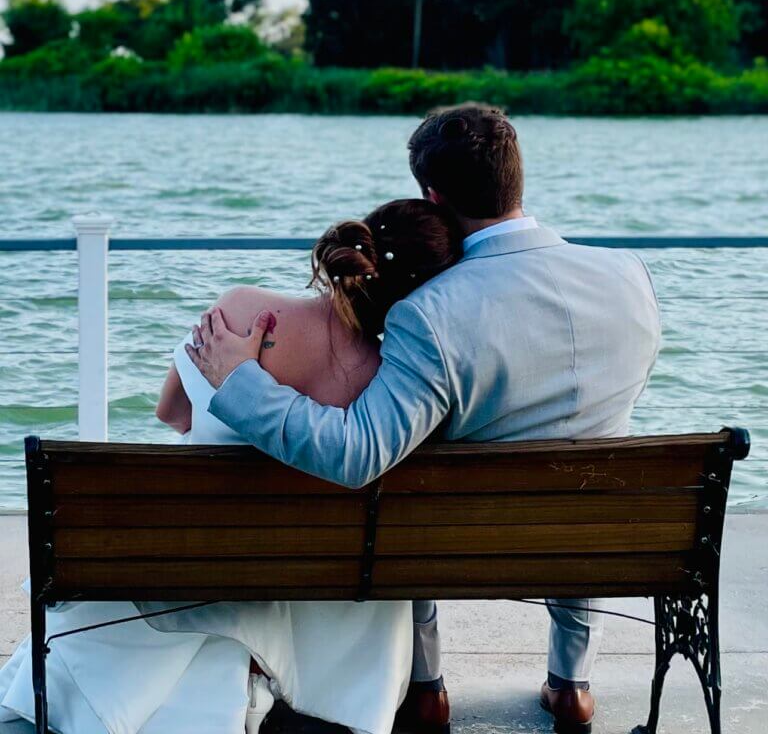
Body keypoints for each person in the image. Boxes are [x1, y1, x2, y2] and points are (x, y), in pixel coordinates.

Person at [188, 103, 662, 734]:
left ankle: (426, 686)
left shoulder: (428, 312)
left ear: (433, 196)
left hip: (455, 545)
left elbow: (355, 453)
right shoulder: (630, 276)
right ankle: (572, 684)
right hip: (594, 535)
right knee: (586, 448)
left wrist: (237, 381)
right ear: (516, 179)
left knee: (409, 477)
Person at [0, 199, 464, 734]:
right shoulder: (398, 385)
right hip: (322, 581)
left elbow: (170, 412)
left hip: (207, 562)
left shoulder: (244, 311)